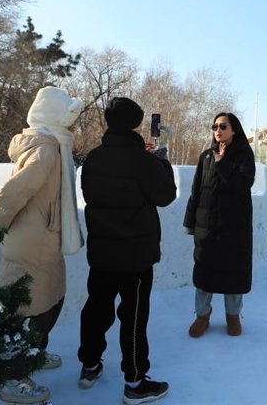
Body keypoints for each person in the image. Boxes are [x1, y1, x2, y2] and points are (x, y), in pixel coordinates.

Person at [77, 97, 177, 405]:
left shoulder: (93, 158)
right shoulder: (142, 161)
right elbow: (165, 196)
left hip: (101, 251)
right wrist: (161, 161)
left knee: (96, 309)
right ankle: (134, 382)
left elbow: (93, 195)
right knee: (133, 317)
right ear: (135, 123)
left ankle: (89, 365)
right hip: (135, 255)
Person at [0, 86, 84, 404]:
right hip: (30, 242)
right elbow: (13, 193)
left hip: (44, 238)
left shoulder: (54, 145)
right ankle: (12, 378)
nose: (74, 124)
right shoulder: (46, 150)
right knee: (30, 311)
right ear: (54, 117)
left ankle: (32, 357)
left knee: (50, 301)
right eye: (69, 117)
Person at [184, 112, 255, 338]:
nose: (218, 130)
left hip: (234, 228)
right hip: (207, 227)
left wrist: (223, 163)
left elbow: (242, 186)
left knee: (233, 272)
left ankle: (233, 315)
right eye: (215, 126)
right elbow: (196, 191)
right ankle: (202, 315)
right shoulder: (206, 156)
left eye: (223, 126)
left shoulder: (244, 156)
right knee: (204, 273)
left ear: (234, 129)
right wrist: (190, 222)